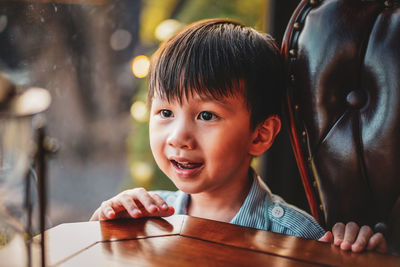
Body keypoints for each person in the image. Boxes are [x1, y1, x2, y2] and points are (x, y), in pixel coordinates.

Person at [90, 18, 386, 253]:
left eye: (206, 115)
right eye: (166, 113)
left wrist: (357, 258)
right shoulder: (146, 219)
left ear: (259, 135)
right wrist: (106, 227)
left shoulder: (299, 238)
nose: (179, 137)